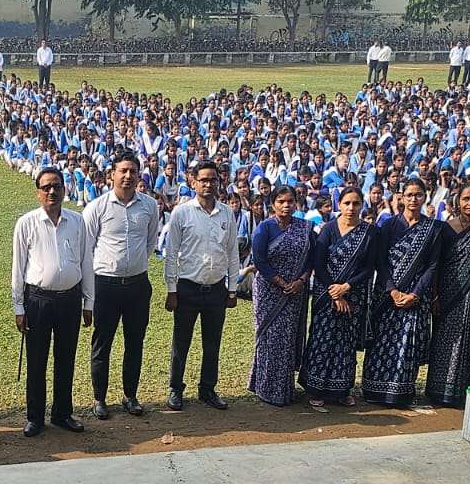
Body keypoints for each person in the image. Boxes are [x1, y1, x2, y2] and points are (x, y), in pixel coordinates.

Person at [12, 167, 91, 437]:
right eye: (46, 187)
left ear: (64, 189)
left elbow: (86, 262)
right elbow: (18, 267)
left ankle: (62, 413)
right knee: (36, 361)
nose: (52, 191)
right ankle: (35, 417)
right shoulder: (27, 222)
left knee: (65, 359)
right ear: (38, 192)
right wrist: (18, 307)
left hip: (70, 299)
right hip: (38, 301)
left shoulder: (77, 221)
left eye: (56, 186)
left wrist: (88, 302)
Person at [82, 148, 160, 418]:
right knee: (102, 343)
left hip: (138, 285)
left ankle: (130, 396)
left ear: (139, 175)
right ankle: (99, 399)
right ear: (111, 175)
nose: (128, 176)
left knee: (134, 342)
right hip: (105, 285)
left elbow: (150, 243)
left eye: (133, 171)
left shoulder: (149, 206)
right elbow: (86, 248)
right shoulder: (97, 207)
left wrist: (133, 263)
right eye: (123, 171)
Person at [163, 160, 239, 411]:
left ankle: (207, 389)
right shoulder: (182, 212)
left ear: (219, 182)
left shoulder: (227, 213)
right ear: (193, 182)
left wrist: (232, 289)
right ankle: (175, 389)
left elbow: (232, 253)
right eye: (203, 180)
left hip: (216, 287)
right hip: (187, 287)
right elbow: (171, 253)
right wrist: (172, 290)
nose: (208, 184)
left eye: (213, 180)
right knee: (181, 342)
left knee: (212, 343)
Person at [362, 179, 443, 408]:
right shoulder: (388, 226)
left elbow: (432, 265)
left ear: (425, 197)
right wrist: (392, 290)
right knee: (381, 343)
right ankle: (374, 390)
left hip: (416, 298)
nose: (413, 199)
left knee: (407, 344)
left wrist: (415, 294)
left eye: (418, 195)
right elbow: (380, 261)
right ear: (402, 197)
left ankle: (400, 393)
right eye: (409, 195)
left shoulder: (432, 229)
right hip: (388, 295)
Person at [424, 182, 470, 408]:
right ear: (458, 201)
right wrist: (435, 294)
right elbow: (437, 264)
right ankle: (437, 390)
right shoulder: (446, 228)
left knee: (467, 338)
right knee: (443, 338)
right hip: (448, 290)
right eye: (466, 199)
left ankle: (458, 390)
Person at [301, 185, 377, 405]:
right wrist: (335, 292)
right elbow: (319, 262)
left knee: (346, 342)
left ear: (362, 205)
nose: (351, 208)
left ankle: (342, 389)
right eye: (347, 203)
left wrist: (347, 287)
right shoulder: (328, 229)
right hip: (326, 294)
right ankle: (316, 389)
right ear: (339, 205)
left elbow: (368, 267)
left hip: (353, 295)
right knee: (321, 339)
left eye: (356, 203)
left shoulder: (369, 232)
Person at [247, 186, 314, 406]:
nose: (286, 206)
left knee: (287, 339)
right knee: (269, 338)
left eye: (290, 201)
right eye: (281, 201)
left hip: (295, 292)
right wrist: (282, 283)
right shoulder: (264, 229)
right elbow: (259, 261)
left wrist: (300, 281)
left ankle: (284, 389)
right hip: (269, 291)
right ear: (273, 204)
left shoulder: (305, 228)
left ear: (296, 203)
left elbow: (312, 258)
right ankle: (264, 386)